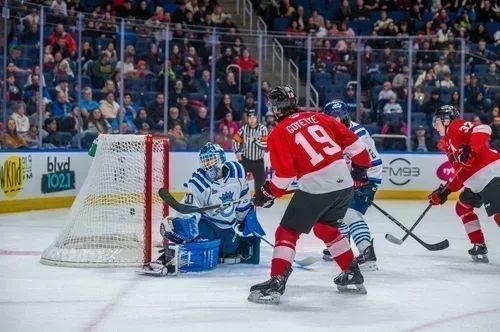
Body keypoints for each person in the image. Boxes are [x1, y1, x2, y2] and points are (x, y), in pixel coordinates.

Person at [249, 86, 372, 305]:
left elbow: (285, 175)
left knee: (287, 231)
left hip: (318, 186)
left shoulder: (278, 132)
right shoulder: (316, 117)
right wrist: (361, 168)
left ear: (275, 109)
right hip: (344, 183)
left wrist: (267, 192)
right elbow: (354, 141)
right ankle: (351, 271)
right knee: (326, 228)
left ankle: (276, 280)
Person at [141, 143, 264, 275]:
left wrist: (244, 218)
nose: (208, 164)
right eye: (205, 160)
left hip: (227, 227)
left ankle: (218, 252)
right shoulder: (198, 181)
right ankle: (164, 259)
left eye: (211, 159)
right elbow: (190, 210)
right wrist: (188, 226)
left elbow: (243, 196)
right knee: (195, 239)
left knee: (231, 247)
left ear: (222, 159)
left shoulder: (238, 171)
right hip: (208, 225)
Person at [428, 105, 500, 263]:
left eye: (438, 121)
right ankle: (479, 245)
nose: (435, 125)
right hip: (478, 182)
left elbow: (483, 129)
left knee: (498, 214)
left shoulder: (455, 126)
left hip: (492, 174)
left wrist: (471, 150)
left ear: (447, 120)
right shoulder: (448, 145)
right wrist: (445, 192)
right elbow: (461, 173)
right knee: (463, 207)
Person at [320, 100, 382, 271]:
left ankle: (367, 252)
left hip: (367, 179)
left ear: (345, 116)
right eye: (331, 117)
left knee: (350, 213)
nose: (334, 120)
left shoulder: (359, 133)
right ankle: (343, 246)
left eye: (337, 116)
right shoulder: (330, 133)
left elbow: (372, 161)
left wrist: (362, 179)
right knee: (336, 211)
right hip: (347, 179)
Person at [233, 110, 268, 193]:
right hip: (246, 159)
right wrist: (237, 153)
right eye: (249, 118)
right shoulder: (243, 129)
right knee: (241, 179)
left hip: (258, 160)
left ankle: (259, 200)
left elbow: (265, 144)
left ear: (257, 118)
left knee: (260, 183)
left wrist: (254, 140)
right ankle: (239, 197)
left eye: (253, 118)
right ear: (247, 119)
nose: (251, 120)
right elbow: (235, 141)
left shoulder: (263, 129)